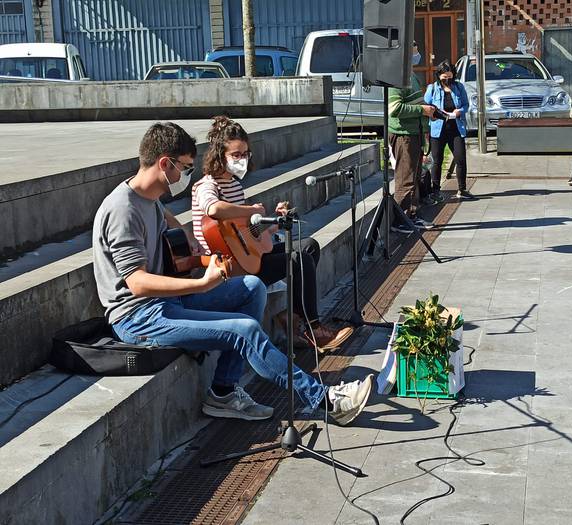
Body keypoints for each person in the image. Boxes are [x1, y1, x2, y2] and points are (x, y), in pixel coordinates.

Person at [92, 121, 372, 425]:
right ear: (164, 164)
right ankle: (325, 400)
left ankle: (222, 393)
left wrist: (191, 245)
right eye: (184, 168)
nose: (186, 176)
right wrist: (201, 284)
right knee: (244, 329)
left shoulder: (150, 199)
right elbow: (137, 283)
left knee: (252, 286)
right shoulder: (122, 210)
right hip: (138, 317)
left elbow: (166, 222)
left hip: (166, 304)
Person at [191, 116, 353, 353]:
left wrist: (274, 223)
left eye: (245, 153)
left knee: (309, 246)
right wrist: (252, 210)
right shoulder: (208, 185)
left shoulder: (235, 185)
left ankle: (294, 317)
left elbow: (244, 233)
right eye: (236, 155)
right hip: (228, 266)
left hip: (244, 256)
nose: (242, 159)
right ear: (219, 155)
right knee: (298, 260)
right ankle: (311, 327)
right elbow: (213, 209)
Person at [387, 41, 436, 235]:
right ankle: (400, 219)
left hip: (414, 134)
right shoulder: (397, 78)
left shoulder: (411, 75)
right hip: (403, 135)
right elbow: (394, 108)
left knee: (415, 176)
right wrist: (422, 110)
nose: (418, 55)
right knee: (405, 178)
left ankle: (412, 214)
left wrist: (425, 123)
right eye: (414, 51)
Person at [423, 59, 476, 202]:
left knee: (460, 159)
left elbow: (466, 104)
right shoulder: (432, 88)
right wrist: (434, 114)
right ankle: (435, 191)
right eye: (444, 77)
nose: (447, 80)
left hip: (456, 128)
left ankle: (462, 189)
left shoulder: (459, 87)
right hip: (438, 129)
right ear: (439, 75)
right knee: (437, 161)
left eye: (450, 77)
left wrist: (459, 112)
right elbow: (425, 105)